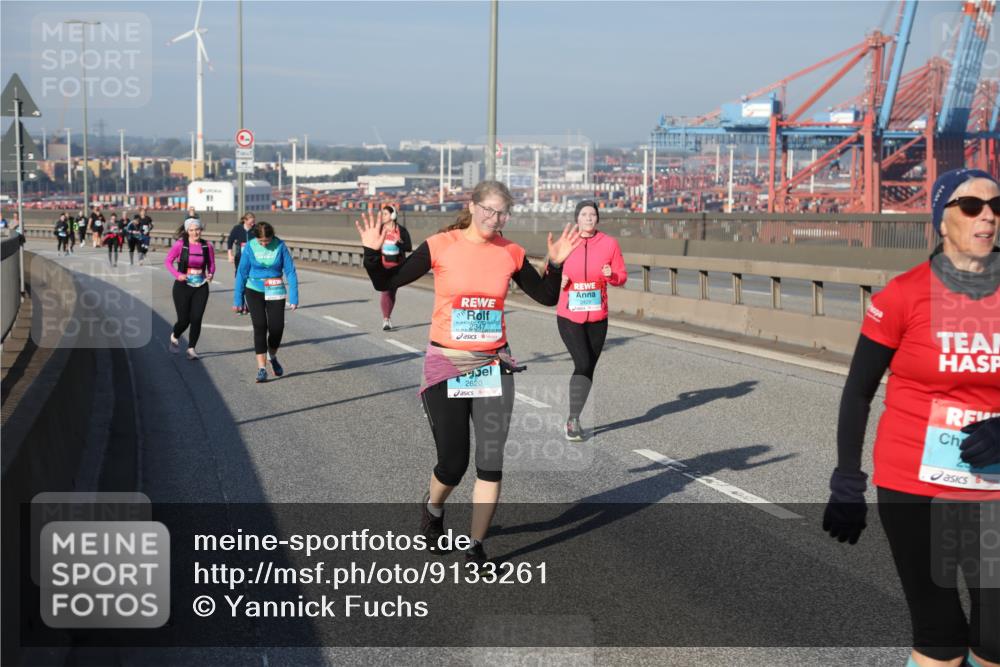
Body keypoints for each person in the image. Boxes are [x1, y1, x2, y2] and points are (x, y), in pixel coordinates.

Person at [823, 168, 1000, 667]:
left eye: (996, 206)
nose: (987, 215)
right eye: (971, 206)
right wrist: (847, 481)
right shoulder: (903, 294)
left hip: (991, 484)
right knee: (941, 635)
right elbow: (858, 391)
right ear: (942, 221)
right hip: (913, 483)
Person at [356, 180, 581, 564]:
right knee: (453, 463)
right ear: (473, 206)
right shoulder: (442, 245)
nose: (495, 219)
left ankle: (476, 546)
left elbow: (546, 296)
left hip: (492, 364)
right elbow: (387, 282)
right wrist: (372, 254)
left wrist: (556, 264)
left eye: (502, 213)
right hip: (447, 362)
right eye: (488, 210)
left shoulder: (510, 252)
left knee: (490, 464)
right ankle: (433, 508)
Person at [556, 200, 627, 441]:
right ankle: (573, 420)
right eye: (584, 214)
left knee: (588, 368)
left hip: (598, 316)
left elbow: (622, 276)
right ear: (577, 219)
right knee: (583, 362)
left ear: (597, 219)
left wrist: (612, 275)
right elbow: (550, 272)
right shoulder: (567, 243)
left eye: (592, 215)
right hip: (569, 315)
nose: (588, 218)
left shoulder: (609, 244)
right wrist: (560, 279)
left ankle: (573, 415)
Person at [233, 221, 299, 382]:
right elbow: (242, 273)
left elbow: (290, 271)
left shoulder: (280, 246)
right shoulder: (250, 247)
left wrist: (294, 296)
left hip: (275, 289)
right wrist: (238, 298)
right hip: (254, 289)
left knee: (277, 328)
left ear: (272, 237)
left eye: (267, 241)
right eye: (261, 241)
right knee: (260, 326)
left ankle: (272, 356)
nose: (264, 244)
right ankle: (261, 369)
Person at [164, 217, 215, 360]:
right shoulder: (180, 244)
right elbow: (168, 261)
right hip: (183, 285)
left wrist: (211, 274)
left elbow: (211, 263)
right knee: (184, 320)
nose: (195, 233)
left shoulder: (207, 246)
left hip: (201, 285)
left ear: (201, 230)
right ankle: (175, 335)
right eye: (191, 230)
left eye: (197, 229)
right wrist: (177, 274)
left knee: (197, 318)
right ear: (187, 231)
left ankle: (191, 348)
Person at [375, 204, 412, 331]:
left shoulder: (401, 230)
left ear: (393, 215)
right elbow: (373, 245)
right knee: (385, 291)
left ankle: (388, 316)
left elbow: (408, 247)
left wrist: (398, 241)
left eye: (385, 214)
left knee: (391, 292)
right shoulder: (379, 230)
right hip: (383, 266)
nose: (383, 216)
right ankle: (386, 319)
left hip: (397, 267)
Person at [226, 212, 257, 314]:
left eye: (254, 222)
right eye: (251, 222)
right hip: (240, 258)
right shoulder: (237, 228)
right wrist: (230, 255)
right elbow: (230, 241)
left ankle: (247, 305)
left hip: (252, 259)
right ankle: (241, 304)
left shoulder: (256, 229)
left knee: (249, 280)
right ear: (245, 220)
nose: (253, 224)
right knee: (241, 280)